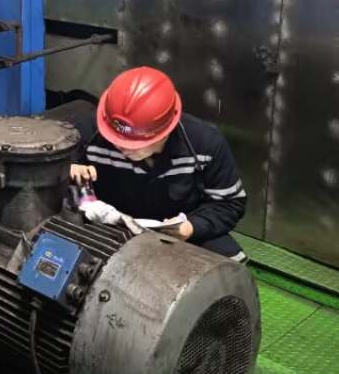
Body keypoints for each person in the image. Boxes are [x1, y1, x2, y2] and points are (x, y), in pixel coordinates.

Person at [70, 66, 247, 261]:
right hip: (112, 228)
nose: (122, 147)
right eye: (115, 138)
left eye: (134, 143)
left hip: (179, 232)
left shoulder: (205, 144)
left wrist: (190, 227)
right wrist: (67, 168)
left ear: (166, 130)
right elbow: (50, 165)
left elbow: (230, 204)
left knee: (229, 264)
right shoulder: (87, 133)